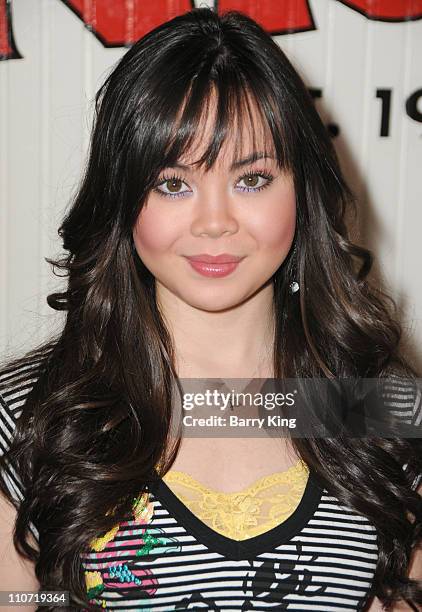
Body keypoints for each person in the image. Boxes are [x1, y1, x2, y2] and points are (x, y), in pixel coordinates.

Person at [0, 6, 421, 611]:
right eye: (174, 183)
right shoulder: (31, 417)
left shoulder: (383, 409)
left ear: (302, 192)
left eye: (252, 179)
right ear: (122, 199)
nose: (216, 222)